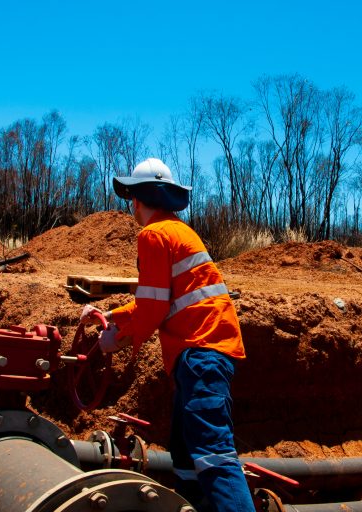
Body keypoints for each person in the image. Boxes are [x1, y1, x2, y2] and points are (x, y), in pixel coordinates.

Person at [80, 157, 255, 512]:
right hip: (204, 349)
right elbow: (156, 300)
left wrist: (118, 340)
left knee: (212, 454)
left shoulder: (153, 235)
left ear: (137, 200)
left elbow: (153, 310)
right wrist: (109, 316)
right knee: (185, 451)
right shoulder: (178, 230)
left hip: (201, 352)